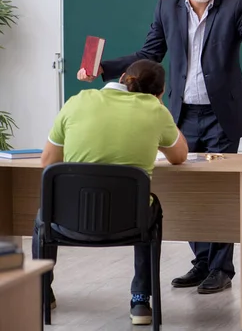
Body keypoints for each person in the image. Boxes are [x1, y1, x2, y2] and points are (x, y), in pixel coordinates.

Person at [77, 0, 242, 294]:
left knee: (222, 191)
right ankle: (201, 262)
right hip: (182, 114)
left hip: (222, 114)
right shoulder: (166, 8)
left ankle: (221, 268)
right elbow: (148, 55)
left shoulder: (235, 6)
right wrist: (103, 69)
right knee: (189, 190)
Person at [35, 59, 189, 326]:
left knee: (44, 214)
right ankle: (140, 300)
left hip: (69, 221)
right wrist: (160, 110)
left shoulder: (78, 100)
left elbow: (48, 161)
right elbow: (179, 156)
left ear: (123, 79)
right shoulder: (155, 110)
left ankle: (42, 292)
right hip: (129, 223)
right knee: (148, 208)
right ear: (160, 93)